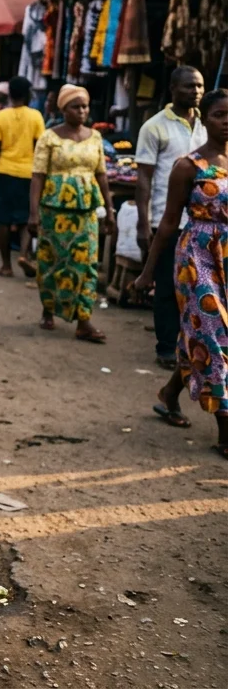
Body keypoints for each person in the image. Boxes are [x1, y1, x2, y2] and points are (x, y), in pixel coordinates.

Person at [133, 89, 228, 453]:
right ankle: (225, 426)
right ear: (205, 119)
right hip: (197, 259)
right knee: (214, 336)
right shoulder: (188, 166)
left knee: (205, 335)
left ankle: (169, 392)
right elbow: (170, 222)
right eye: (219, 114)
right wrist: (148, 273)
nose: (226, 121)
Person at [29, 84, 113, 342]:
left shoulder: (95, 137)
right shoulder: (49, 137)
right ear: (63, 109)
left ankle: (83, 320)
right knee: (53, 259)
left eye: (85, 106)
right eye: (76, 107)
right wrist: (33, 214)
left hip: (86, 210)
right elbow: (37, 177)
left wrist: (109, 209)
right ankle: (48, 308)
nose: (82, 111)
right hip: (55, 210)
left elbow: (101, 174)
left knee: (86, 263)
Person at [135, 66, 206, 370]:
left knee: (197, 286)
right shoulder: (154, 127)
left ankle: (190, 343)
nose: (196, 92)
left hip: (202, 221)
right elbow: (144, 177)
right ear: (173, 88)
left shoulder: (209, 124)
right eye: (190, 86)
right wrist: (142, 219)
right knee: (166, 284)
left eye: (200, 86)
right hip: (167, 219)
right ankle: (166, 346)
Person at [0, 76, 45, 277]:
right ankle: (24, 254)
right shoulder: (36, 116)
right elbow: (39, 148)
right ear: (27, 94)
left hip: (3, 173)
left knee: (3, 220)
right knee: (27, 216)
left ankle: (6, 265)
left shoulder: (0, 116)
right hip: (28, 174)